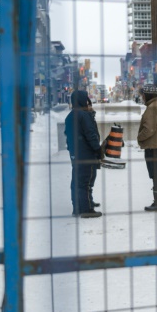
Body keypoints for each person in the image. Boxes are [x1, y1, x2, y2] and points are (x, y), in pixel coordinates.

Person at [64, 90, 102, 218]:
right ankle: (87, 209)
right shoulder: (83, 116)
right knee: (86, 181)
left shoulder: (69, 116)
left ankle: (79, 206)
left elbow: (67, 137)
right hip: (86, 154)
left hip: (76, 154)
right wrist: (98, 149)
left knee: (77, 181)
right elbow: (91, 135)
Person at [137, 84, 157, 212]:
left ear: (147, 95)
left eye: (142, 95)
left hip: (154, 146)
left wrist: (140, 137)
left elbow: (149, 129)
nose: (142, 98)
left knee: (156, 174)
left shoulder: (152, 108)